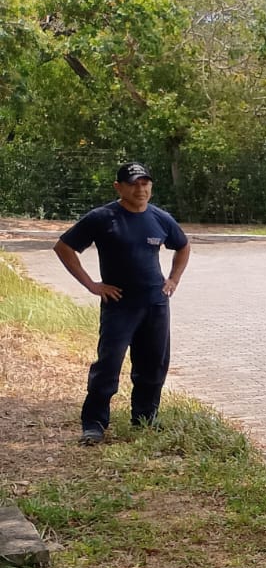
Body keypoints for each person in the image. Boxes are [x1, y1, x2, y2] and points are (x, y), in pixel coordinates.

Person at [52, 161, 190, 445]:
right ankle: (94, 424)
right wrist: (92, 285)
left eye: (145, 183)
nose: (140, 189)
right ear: (119, 187)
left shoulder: (160, 218)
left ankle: (145, 418)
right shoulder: (103, 218)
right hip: (119, 305)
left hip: (155, 303)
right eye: (133, 184)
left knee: (153, 364)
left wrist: (173, 279)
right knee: (109, 364)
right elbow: (64, 247)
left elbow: (183, 246)